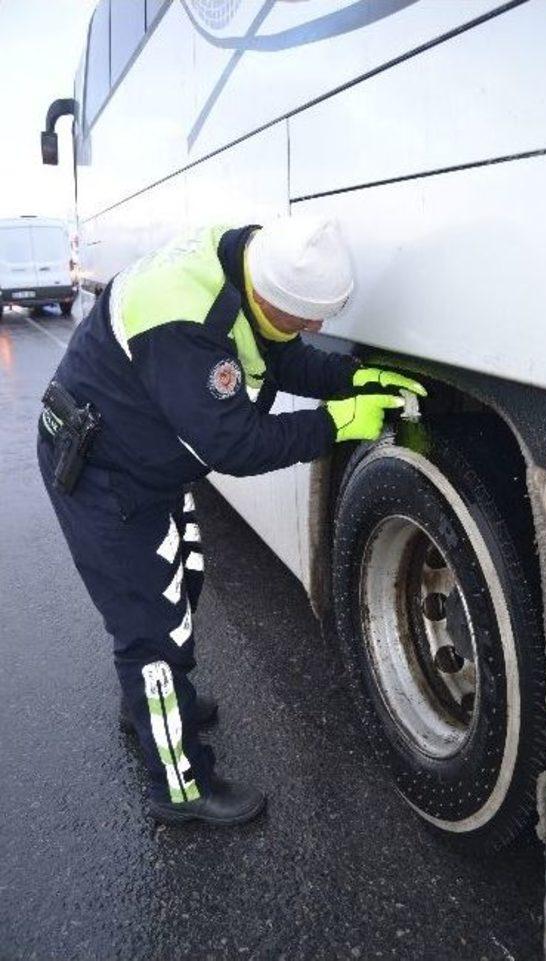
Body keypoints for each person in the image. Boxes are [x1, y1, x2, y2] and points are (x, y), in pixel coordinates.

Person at [37, 216, 426, 826]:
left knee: (184, 578)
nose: (316, 328)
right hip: (102, 472)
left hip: (143, 455)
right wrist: (337, 424)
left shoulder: (249, 261)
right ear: (268, 297)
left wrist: (352, 377)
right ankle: (181, 785)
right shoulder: (183, 325)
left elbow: (283, 358)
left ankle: (145, 704)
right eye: (304, 317)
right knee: (154, 634)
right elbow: (234, 444)